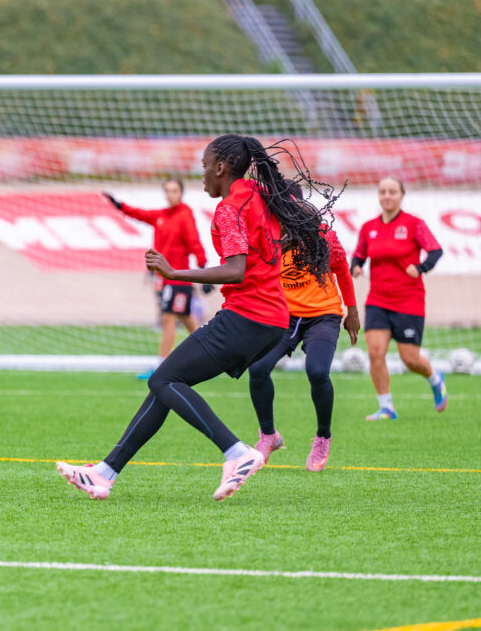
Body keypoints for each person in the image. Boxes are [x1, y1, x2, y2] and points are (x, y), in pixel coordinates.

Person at [56, 134, 336, 501]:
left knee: (163, 379)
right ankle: (104, 473)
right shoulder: (257, 191)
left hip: (248, 315)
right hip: (272, 318)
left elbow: (235, 270)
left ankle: (236, 452)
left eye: (204, 166)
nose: (201, 174)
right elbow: (296, 217)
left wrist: (174, 272)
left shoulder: (230, 208)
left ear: (220, 167)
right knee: (168, 384)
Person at [246, 227, 360, 472]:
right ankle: (269, 436)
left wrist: (352, 310)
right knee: (257, 368)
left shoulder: (323, 235)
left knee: (318, 372)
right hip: (284, 316)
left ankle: (323, 437)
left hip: (323, 315)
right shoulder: (269, 234)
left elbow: (341, 268)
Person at [351, 177, 445, 420]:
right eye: (383, 191)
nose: (387, 196)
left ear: (402, 195)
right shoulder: (369, 227)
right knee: (375, 353)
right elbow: (359, 255)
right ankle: (386, 407)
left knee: (410, 359)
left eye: (392, 191)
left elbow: (436, 251)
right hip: (377, 300)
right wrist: (356, 267)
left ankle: (435, 379)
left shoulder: (414, 224)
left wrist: (421, 268)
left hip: (408, 300)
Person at [103, 179, 209, 370]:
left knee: (167, 319)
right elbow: (140, 214)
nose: (170, 194)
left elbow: (195, 243)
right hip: (166, 279)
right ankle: (211, 358)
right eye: (167, 190)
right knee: (187, 321)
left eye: (174, 191)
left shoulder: (185, 215)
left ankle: (161, 366)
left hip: (178, 278)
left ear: (181, 193)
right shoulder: (161, 216)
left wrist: (203, 270)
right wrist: (120, 206)